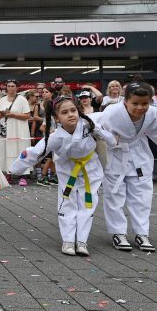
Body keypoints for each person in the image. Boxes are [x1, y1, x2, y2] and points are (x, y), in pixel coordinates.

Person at [11, 95, 116, 256]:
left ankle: (81, 241)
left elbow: (112, 135)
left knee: (88, 203)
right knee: (67, 202)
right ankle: (68, 240)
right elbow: (36, 152)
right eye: (65, 112)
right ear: (57, 118)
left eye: (73, 110)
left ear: (79, 111)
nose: (71, 115)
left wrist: (99, 130)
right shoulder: (55, 137)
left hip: (91, 168)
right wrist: (15, 169)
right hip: (67, 169)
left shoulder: (90, 124)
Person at [101, 83, 157, 252]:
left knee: (142, 195)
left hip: (140, 153)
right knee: (114, 194)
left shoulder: (154, 113)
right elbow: (98, 130)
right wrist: (110, 139)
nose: (140, 108)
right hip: (116, 154)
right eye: (135, 103)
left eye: (145, 103)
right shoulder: (111, 112)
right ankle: (118, 232)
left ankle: (142, 233)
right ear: (125, 101)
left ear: (150, 101)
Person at [0, 80, 31, 185]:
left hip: (19, 129)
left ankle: (23, 176)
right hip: (5, 129)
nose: (11, 88)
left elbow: (27, 115)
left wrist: (13, 114)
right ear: (6, 88)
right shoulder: (2, 100)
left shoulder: (22, 99)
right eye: (9, 86)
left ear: (17, 88)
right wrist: (3, 113)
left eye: (13, 86)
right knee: (5, 150)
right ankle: (8, 174)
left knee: (20, 150)